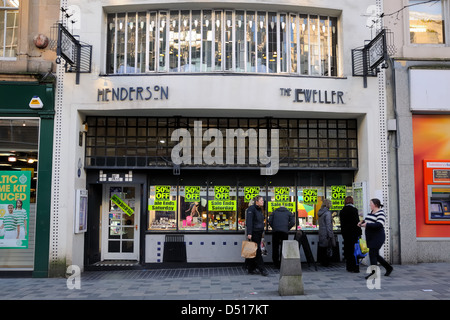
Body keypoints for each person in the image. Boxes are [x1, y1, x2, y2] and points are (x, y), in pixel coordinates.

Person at [358, 198, 393, 278]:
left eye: (371, 203)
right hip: (371, 237)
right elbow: (368, 220)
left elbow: (379, 224)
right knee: (376, 255)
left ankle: (374, 273)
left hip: (377, 237)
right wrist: (362, 222)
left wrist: (367, 225)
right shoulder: (371, 212)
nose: (369, 205)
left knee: (372, 254)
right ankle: (388, 268)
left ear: (375, 205)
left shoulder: (381, 213)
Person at [246, 196, 268, 276]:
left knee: (254, 250)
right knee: (257, 250)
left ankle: (250, 268)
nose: (263, 202)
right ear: (257, 201)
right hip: (254, 232)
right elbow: (249, 221)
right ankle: (262, 269)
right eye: (261, 200)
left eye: (263, 200)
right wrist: (249, 233)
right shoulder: (251, 209)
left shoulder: (259, 209)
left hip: (259, 232)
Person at [339, 196, 362, 273]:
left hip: (346, 234)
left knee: (348, 250)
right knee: (355, 250)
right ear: (352, 201)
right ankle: (355, 267)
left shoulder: (342, 211)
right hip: (354, 233)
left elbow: (342, 224)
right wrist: (359, 232)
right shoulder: (354, 210)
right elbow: (357, 222)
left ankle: (349, 267)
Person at [318, 199, 335, 266]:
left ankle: (322, 262)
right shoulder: (327, 213)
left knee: (323, 248)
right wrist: (330, 234)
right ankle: (326, 263)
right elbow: (328, 225)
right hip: (326, 233)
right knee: (327, 248)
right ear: (328, 204)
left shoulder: (320, 212)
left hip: (321, 232)